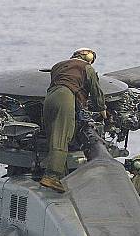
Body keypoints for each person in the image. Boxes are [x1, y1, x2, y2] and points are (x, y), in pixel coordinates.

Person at [40, 48, 107, 192]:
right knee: (62, 137)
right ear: (89, 59)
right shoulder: (86, 68)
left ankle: (61, 177)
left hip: (49, 98)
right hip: (65, 97)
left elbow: (63, 82)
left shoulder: (58, 66)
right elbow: (95, 89)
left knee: (53, 136)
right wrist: (102, 109)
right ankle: (52, 176)